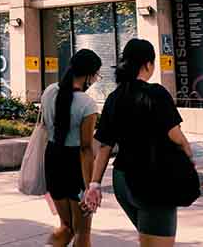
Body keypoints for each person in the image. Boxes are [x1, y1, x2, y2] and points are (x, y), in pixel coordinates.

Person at [84, 38, 193, 247]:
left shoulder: (115, 97)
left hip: (123, 182)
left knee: (149, 238)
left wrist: (94, 184)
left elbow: (104, 147)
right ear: (148, 65)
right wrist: (189, 158)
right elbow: (176, 136)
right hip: (152, 180)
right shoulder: (156, 93)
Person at [40, 48, 102, 247]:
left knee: (66, 225)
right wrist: (89, 186)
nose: (95, 80)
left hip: (52, 160)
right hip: (75, 165)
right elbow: (85, 148)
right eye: (96, 75)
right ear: (89, 75)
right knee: (82, 231)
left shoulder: (49, 91)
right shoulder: (87, 104)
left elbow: (44, 126)